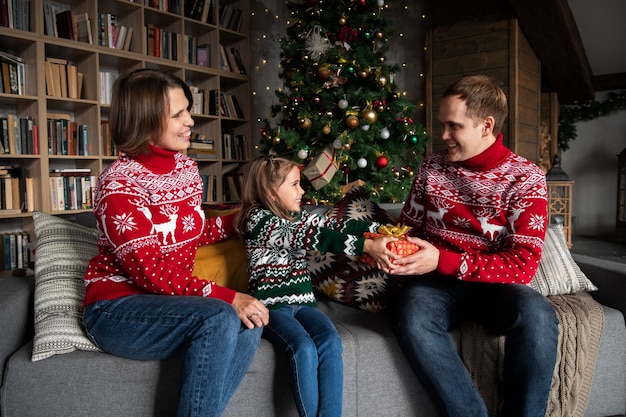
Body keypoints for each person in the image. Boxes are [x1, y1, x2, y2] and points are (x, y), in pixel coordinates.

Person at [82, 69, 267, 417]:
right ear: (147, 121)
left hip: (171, 303)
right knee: (221, 315)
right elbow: (150, 271)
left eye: (188, 110)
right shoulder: (118, 183)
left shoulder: (187, 169)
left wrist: (245, 218)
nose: (191, 121)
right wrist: (229, 296)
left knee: (250, 316)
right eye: (178, 114)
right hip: (117, 310)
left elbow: (189, 235)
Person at [389, 75, 559, 417]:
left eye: (454, 126)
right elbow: (407, 227)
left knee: (539, 316)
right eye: (442, 125)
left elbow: (524, 265)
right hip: (434, 285)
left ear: (486, 125)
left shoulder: (525, 179)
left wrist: (443, 260)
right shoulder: (431, 167)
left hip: (495, 286)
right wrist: (390, 247)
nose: (444, 136)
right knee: (412, 314)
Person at [234, 155, 396, 417]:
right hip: (272, 308)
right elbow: (310, 236)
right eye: (295, 184)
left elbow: (336, 224)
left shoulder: (294, 216)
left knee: (331, 340)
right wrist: (365, 246)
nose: (302, 191)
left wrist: (384, 231)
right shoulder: (258, 221)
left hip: (303, 304)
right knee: (303, 347)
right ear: (270, 191)